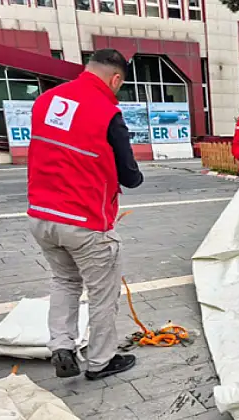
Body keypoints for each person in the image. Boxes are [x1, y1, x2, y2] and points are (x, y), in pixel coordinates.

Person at [27, 49, 144, 381]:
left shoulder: (46, 101)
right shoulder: (107, 112)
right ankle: (100, 361)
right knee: (102, 291)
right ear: (115, 78)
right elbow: (129, 176)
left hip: (41, 216)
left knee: (63, 281)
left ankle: (61, 345)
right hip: (85, 222)